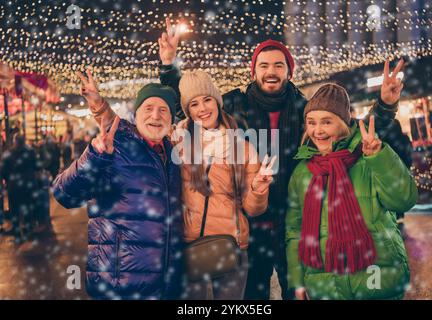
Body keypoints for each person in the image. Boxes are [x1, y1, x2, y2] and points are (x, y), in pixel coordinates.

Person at [157, 18, 413, 299]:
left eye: (279, 65)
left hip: (298, 224)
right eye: (264, 66)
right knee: (252, 299)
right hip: (250, 227)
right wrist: (169, 67)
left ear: (289, 72)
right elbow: (193, 106)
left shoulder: (306, 110)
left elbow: (350, 134)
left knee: (297, 293)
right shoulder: (234, 106)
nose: (271, 71)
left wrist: (385, 106)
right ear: (253, 72)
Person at [52, 75, 184, 300]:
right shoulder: (116, 148)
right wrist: (94, 157)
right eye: (148, 108)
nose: (155, 115)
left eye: (163, 110)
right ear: (136, 115)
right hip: (120, 285)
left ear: (171, 120)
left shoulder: (174, 157)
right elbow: (64, 194)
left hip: (165, 286)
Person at [286, 84, 418, 300]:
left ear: (343, 124)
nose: (317, 131)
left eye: (326, 122)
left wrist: (378, 158)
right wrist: (297, 281)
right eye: (311, 123)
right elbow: (294, 230)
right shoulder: (302, 172)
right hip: (325, 283)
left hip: (377, 277)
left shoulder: (369, 157)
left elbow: (405, 200)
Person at [175, 70, 274, 299]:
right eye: (194, 104)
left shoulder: (243, 148)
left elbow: (253, 208)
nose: (202, 109)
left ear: (218, 101)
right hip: (189, 246)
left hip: (232, 247)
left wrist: (258, 188)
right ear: (188, 111)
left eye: (207, 99)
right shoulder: (178, 144)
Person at [0, 134, 39, 243]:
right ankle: (27, 232)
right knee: (27, 208)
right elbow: (37, 166)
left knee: (15, 211)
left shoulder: (8, 154)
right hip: (28, 185)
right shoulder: (30, 152)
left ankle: (17, 235)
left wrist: (5, 181)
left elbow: (2, 171)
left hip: (14, 186)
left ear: (14, 141)